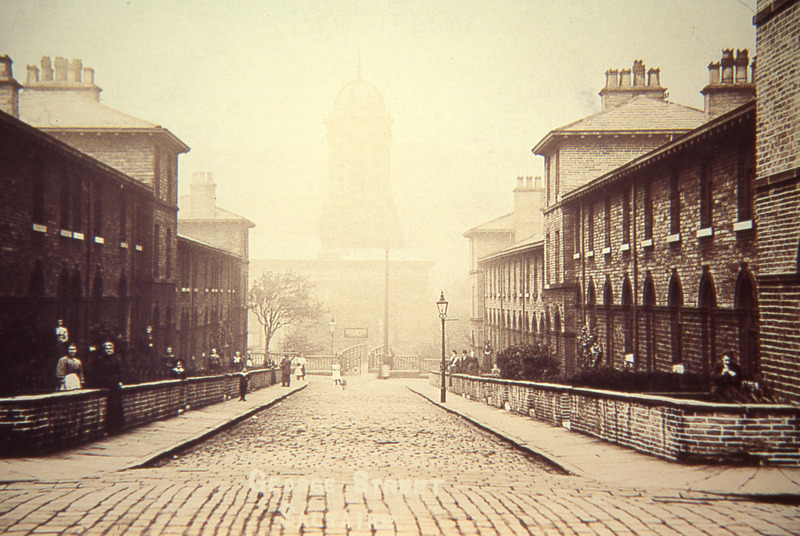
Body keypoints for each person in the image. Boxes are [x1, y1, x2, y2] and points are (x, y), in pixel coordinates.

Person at [89, 339, 125, 434]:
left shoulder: (116, 359)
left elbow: (119, 371)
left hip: (115, 384)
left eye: (110, 348)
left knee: (117, 405)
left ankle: (118, 426)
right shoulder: (100, 359)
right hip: (106, 384)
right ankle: (109, 428)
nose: (109, 350)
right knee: (110, 406)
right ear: (103, 349)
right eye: (107, 348)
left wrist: (120, 381)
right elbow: (96, 372)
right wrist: (103, 381)